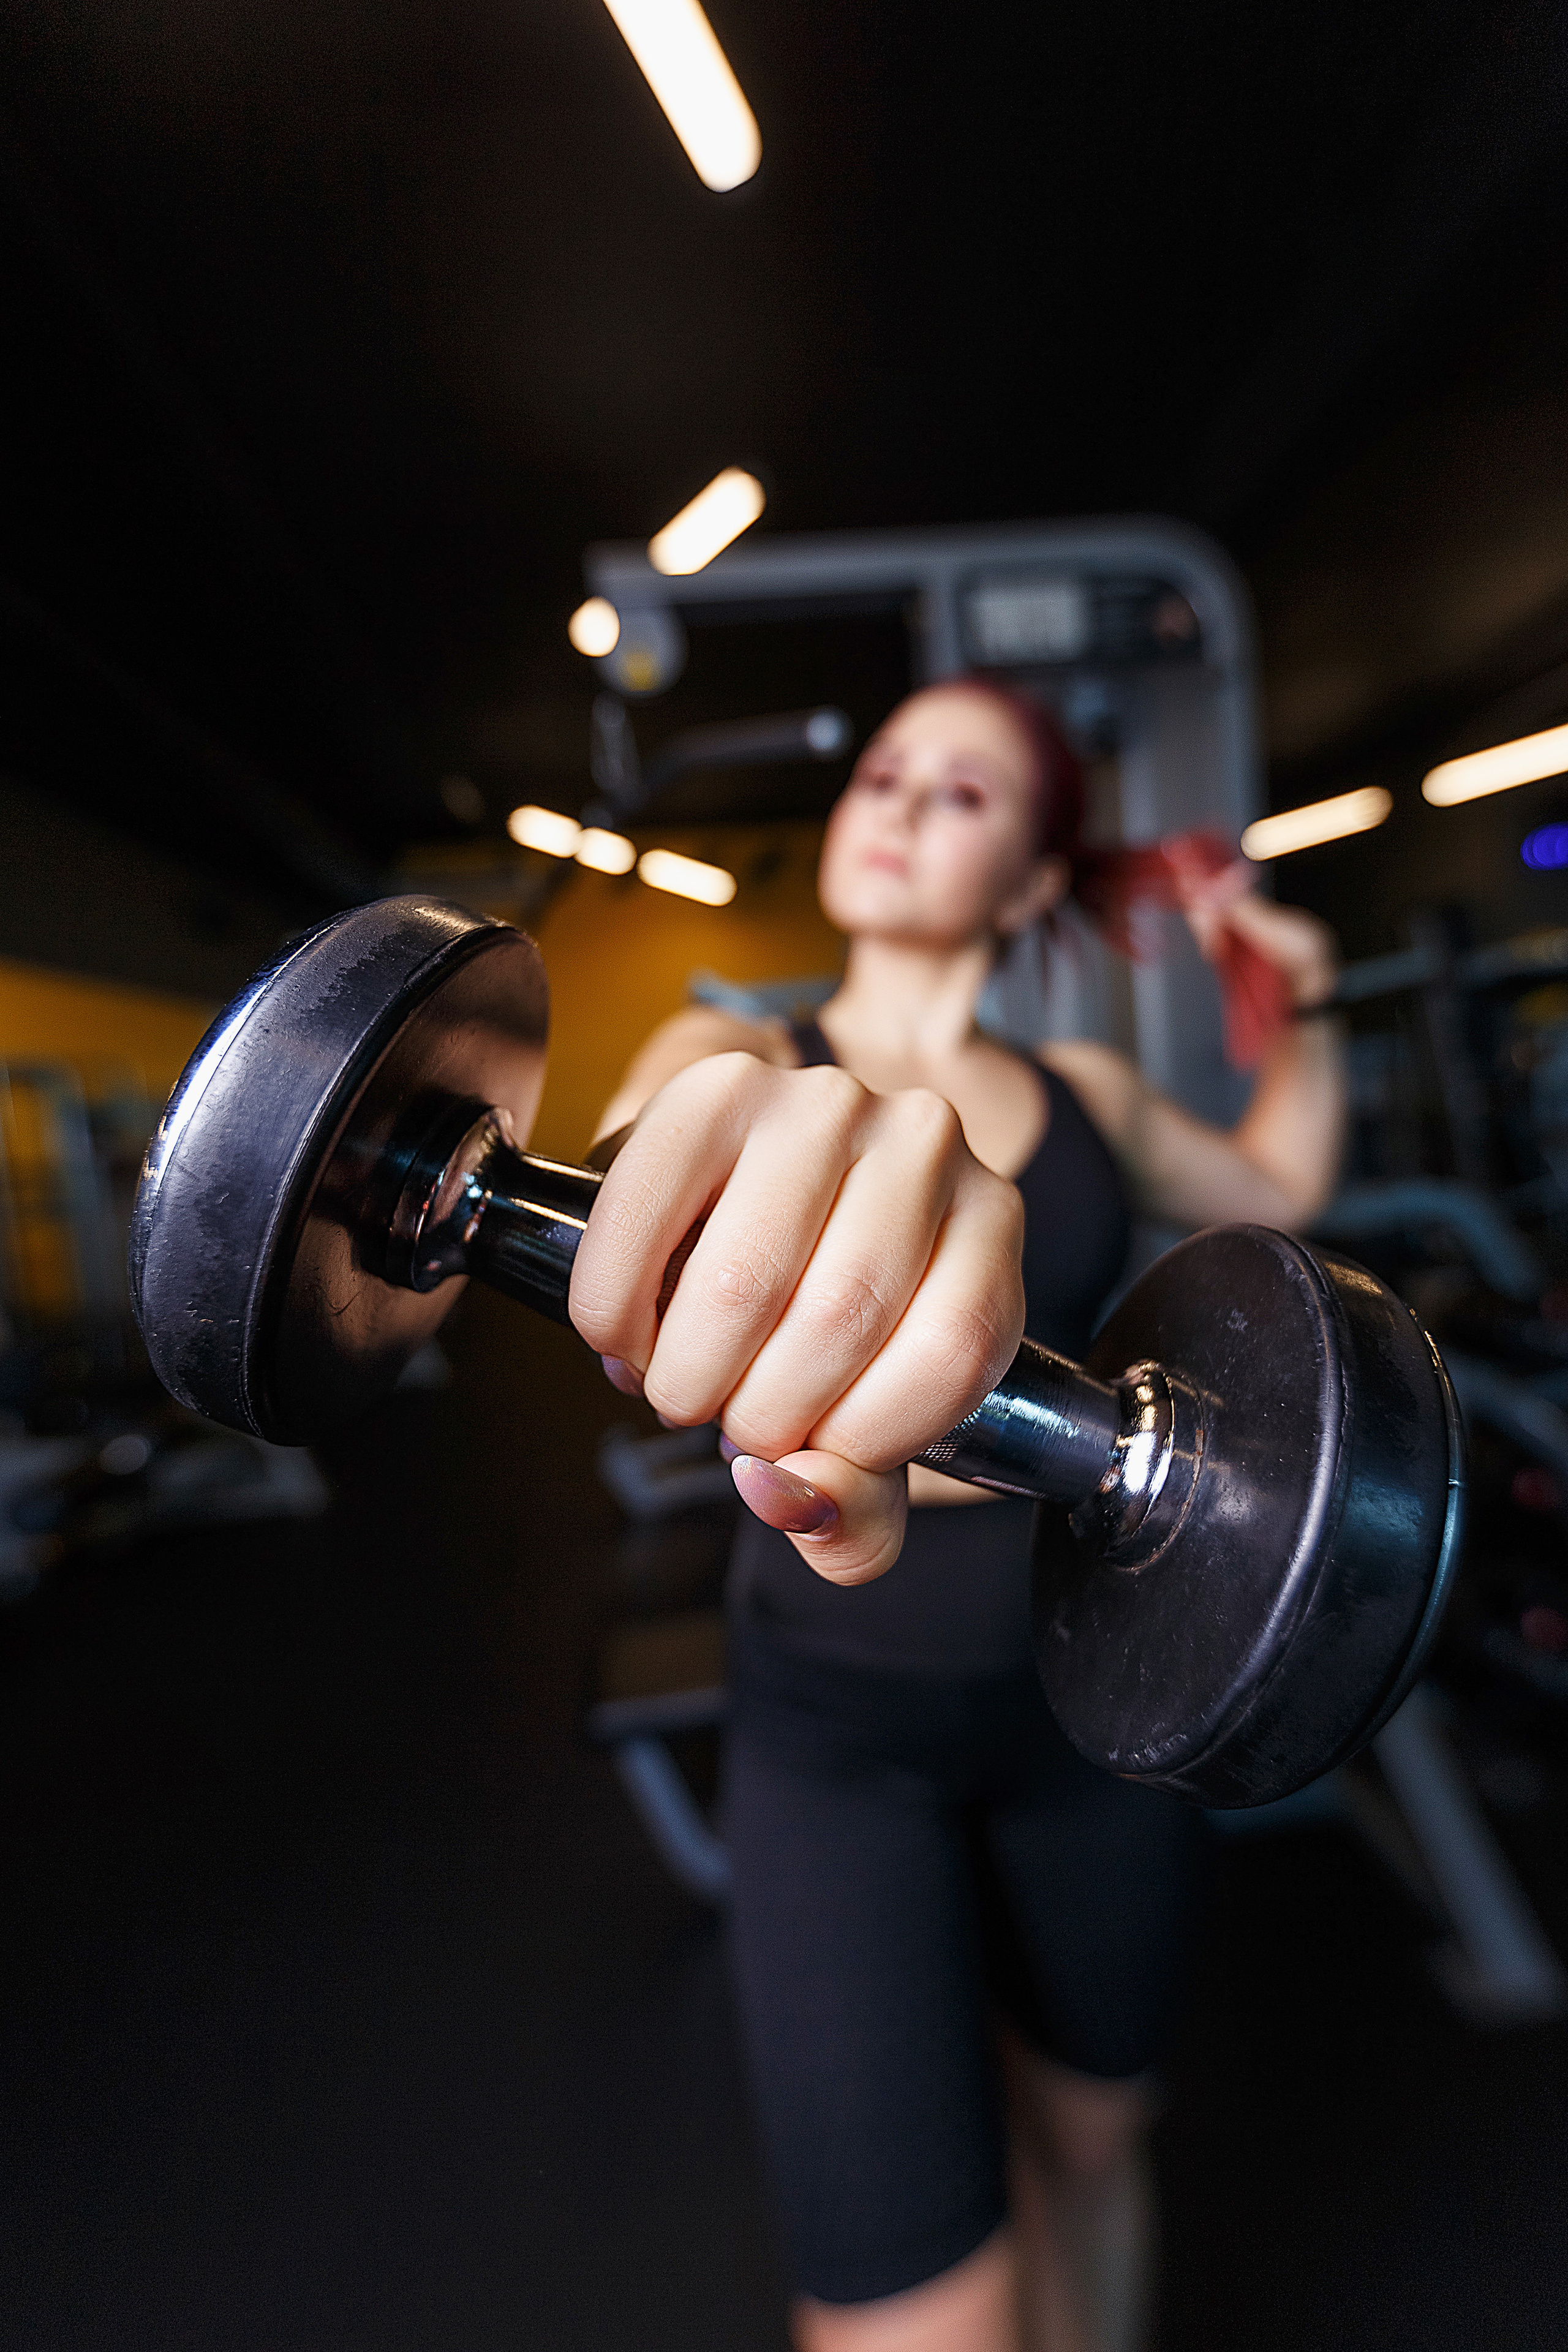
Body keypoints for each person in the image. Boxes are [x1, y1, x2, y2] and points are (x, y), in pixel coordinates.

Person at [572, 679, 1346, 2352]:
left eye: (968, 794)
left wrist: (1306, 1000)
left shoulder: (1079, 1090)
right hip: (834, 1734)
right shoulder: (736, 1058)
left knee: (1089, 2145)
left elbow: (1282, 1192)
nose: (904, 803)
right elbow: (638, 1201)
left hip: (1092, 1713)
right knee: (921, 2319)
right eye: (884, 772)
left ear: (1030, 887)